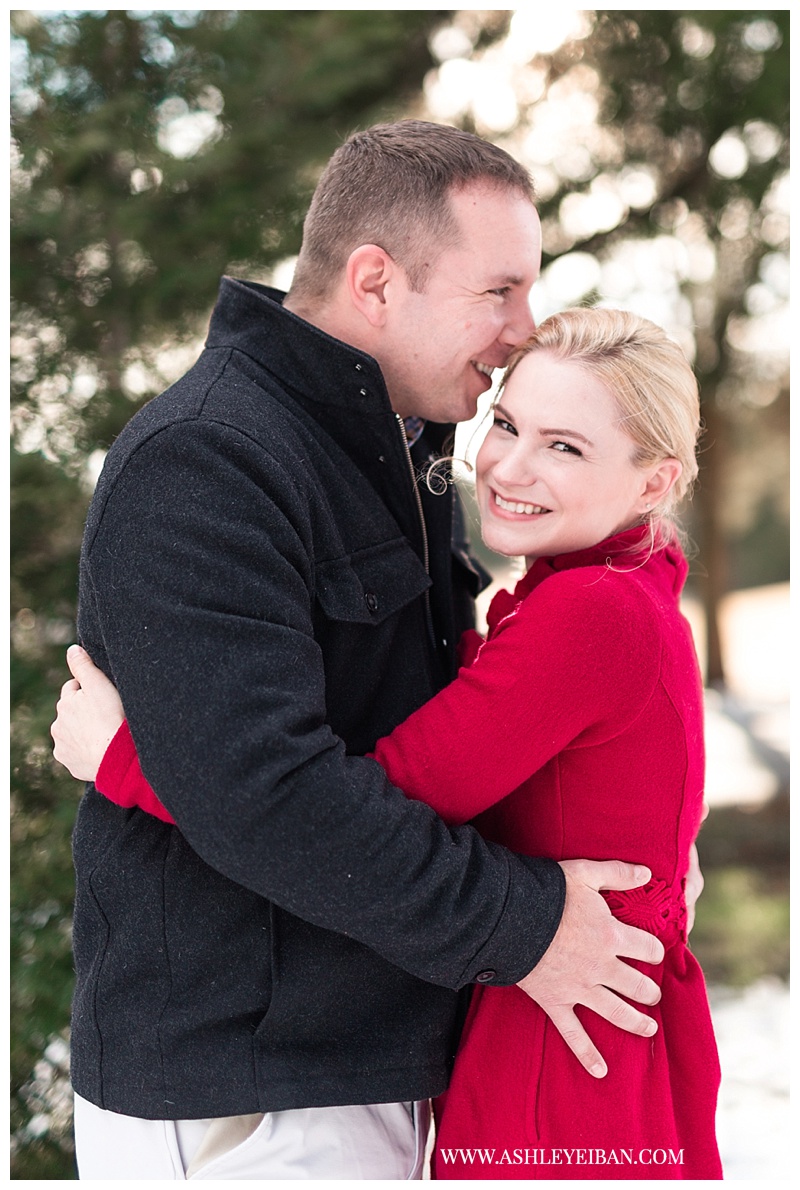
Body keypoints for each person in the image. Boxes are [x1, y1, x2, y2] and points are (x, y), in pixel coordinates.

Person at [52, 121, 671, 1180]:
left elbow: (453, 727)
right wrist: (525, 923)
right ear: (376, 281)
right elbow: (264, 795)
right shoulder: (208, 457)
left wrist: (640, 844)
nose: (522, 331)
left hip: (377, 1056)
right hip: (249, 1095)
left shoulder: (398, 450)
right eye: (499, 290)